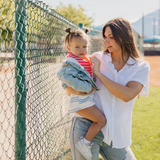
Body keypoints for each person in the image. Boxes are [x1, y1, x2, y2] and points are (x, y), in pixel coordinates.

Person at [66, 18, 150, 160]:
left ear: (124, 36)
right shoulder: (96, 58)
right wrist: (78, 90)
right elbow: (69, 88)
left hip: (115, 132)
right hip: (86, 127)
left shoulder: (141, 67)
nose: (107, 41)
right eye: (105, 37)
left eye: (111, 37)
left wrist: (99, 73)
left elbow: (127, 95)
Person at [57, 28, 107, 160]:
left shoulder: (84, 59)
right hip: (80, 101)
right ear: (69, 47)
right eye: (77, 47)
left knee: (100, 120)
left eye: (84, 46)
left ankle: (86, 143)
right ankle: (85, 143)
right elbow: (64, 77)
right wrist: (86, 88)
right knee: (101, 120)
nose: (81, 49)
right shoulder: (70, 62)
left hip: (85, 100)